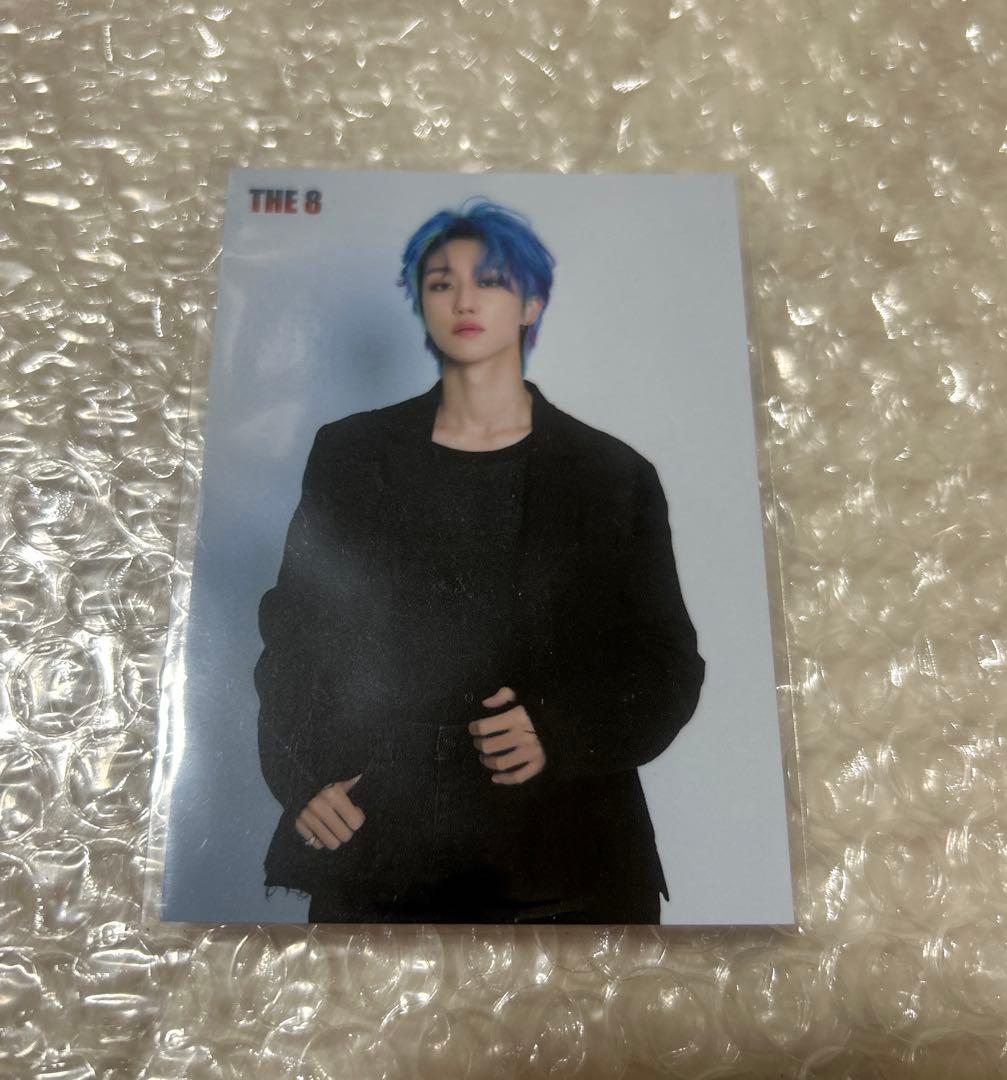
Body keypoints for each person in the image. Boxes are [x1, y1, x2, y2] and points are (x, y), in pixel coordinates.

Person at [255, 197, 705, 923]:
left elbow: (666, 665)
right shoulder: (351, 456)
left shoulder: (612, 476)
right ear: (421, 303)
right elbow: (294, 639)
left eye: (490, 280)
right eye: (441, 283)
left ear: (532, 302)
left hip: (567, 860)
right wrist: (304, 776)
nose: (464, 300)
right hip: (383, 844)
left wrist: (557, 731)